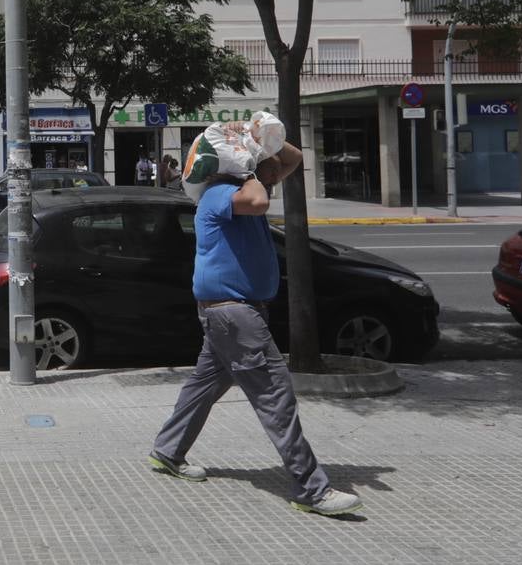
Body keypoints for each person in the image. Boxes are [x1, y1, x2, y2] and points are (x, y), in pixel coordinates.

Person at [148, 137, 363, 517]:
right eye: (267, 166)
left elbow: (294, 157)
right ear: (243, 169)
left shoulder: (241, 189)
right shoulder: (219, 193)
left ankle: (168, 450)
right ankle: (311, 489)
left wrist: (261, 135)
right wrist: (248, 167)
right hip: (234, 313)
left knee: (204, 385)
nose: (276, 173)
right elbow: (260, 199)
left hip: (232, 313)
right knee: (275, 395)